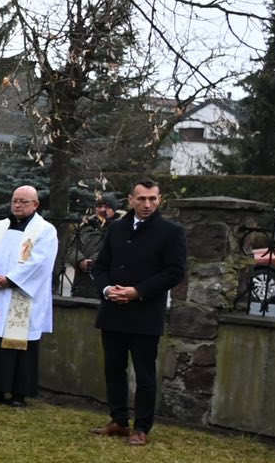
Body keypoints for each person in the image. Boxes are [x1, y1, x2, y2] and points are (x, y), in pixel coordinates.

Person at [90, 178, 188, 445]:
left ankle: (141, 427)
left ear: (159, 199)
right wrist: (108, 290)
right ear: (131, 200)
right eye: (142, 199)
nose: (147, 204)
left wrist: (137, 291)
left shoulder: (170, 231)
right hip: (113, 311)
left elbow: (174, 272)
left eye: (152, 199)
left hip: (145, 312)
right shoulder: (117, 229)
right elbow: (100, 267)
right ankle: (119, 420)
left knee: (144, 373)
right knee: (114, 368)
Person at [0, 186, 58, 408]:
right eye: (14, 201)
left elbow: (40, 262)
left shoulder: (45, 230)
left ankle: (19, 392)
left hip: (21, 295)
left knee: (20, 343)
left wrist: (10, 279)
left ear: (35, 205)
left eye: (23, 202)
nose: (17, 205)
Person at [70, 194, 118, 297]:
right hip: (81, 284)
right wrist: (80, 260)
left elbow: (116, 250)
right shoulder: (85, 226)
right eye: (99, 206)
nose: (102, 210)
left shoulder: (119, 228)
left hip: (105, 287)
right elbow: (72, 248)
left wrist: (93, 261)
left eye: (107, 207)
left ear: (114, 209)